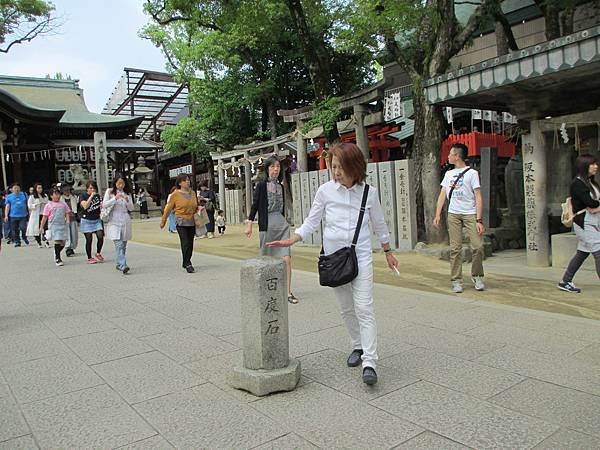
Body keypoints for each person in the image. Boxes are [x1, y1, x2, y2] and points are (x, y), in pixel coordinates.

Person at [268, 143, 398, 385]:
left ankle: (370, 362)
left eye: (340, 167)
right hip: (333, 258)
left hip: (360, 255)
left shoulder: (369, 193)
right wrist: (293, 238)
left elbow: (379, 224)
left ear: (355, 166)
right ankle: (357, 346)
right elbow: (311, 222)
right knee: (346, 307)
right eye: (333, 166)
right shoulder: (325, 191)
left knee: (364, 307)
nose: (336, 172)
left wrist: (388, 250)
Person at [433, 143, 485, 293]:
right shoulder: (448, 174)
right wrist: (437, 214)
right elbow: (443, 194)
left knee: (478, 246)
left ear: (457, 156)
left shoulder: (472, 173)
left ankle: (477, 276)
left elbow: (478, 197)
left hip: (470, 213)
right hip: (453, 214)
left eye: (450, 154)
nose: (448, 156)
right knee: (455, 249)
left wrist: (479, 220)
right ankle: (456, 280)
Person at [245, 156, 298, 303]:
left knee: (286, 258)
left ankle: (287, 292)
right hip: (266, 224)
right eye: (272, 167)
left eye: (278, 167)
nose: (276, 169)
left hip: (281, 225)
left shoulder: (281, 186)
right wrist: (249, 223)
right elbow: (255, 205)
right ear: (267, 169)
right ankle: (264, 289)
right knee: (266, 258)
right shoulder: (261, 185)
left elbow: (283, 208)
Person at [558, 154, 600, 292]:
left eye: (596, 164)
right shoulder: (578, 183)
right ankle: (565, 281)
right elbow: (590, 203)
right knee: (598, 251)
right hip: (584, 223)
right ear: (584, 166)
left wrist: (596, 206)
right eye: (592, 164)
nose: (596, 166)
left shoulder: (591, 182)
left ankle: (565, 281)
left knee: (582, 253)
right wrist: (595, 205)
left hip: (593, 221)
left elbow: (593, 204)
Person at [160, 174, 199, 273]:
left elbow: (195, 205)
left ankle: (186, 260)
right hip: (181, 221)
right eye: (185, 180)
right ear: (180, 183)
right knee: (185, 242)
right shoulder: (175, 194)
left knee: (190, 243)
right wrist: (163, 220)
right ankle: (188, 264)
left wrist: (199, 208)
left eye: (188, 180)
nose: (188, 182)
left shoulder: (193, 193)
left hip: (192, 220)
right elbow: (168, 208)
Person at [103, 175, 134, 274]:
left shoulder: (127, 194)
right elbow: (104, 204)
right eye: (119, 183)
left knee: (123, 244)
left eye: (122, 183)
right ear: (115, 183)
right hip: (114, 220)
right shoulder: (110, 192)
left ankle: (119, 263)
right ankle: (123, 264)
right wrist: (114, 199)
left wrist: (127, 200)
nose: (121, 185)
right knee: (119, 243)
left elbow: (131, 208)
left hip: (125, 219)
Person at [40, 187, 70, 266]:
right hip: (53, 225)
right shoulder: (48, 205)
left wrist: (67, 220)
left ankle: (57, 252)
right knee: (57, 240)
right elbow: (45, 217)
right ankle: (58, 258)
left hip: (62, 224)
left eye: (58, 194)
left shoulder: (63, 204)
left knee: (63, 242)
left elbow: (67, 212)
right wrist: (41, 227)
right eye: (55, 194)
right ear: (51, 196)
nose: (57, 196)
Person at [79, 181, 104, 264]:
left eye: (93, 188)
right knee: (89, 239)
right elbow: (85, 206)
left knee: (100, 236)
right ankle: (89, 257)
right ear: (87, 188)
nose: (92, 190)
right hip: (86, 220)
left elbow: (102, 205)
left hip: (96, 220)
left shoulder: (98, 196)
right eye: (90, 188)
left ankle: (98, 253)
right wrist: (91, 196)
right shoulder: (83, 196)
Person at [4, 183, 29, 247]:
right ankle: (17, 242)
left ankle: (24, 236)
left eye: (17, 188)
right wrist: (6, 215)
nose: (16, 189)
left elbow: (28, 204)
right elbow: (7, 206)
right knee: (15, 230)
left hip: (23, 215)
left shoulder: (24, 194)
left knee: (23, 228)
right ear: (12, 189)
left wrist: (30, 212)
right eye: (15, 188)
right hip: (13, 216)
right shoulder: (9, 197)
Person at [26, 182, 50, 248]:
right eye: (38, 188)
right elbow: (29, 205)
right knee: (36, 229)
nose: (40, 189)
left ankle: (46, 241)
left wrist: (44, 203)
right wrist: (36, 204)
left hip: (44, 214)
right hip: (36, 214)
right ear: (35, 189)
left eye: (41, 188)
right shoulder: (32, 197)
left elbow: (48, 204)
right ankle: (39, 242)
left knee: (46, 228)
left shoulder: (45, 196)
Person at [60, 184, 79, 257]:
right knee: (67, 234)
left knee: (74, 234)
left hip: (73, 217)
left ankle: (72, 247)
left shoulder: (74, 197)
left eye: (68, 190)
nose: (67, 192)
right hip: (65, 219)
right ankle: (68, 248)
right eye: (65, 190)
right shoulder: (61, 198)